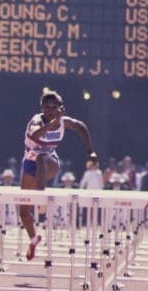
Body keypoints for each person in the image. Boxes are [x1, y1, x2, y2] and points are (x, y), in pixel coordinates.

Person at [18, 89, 94, 260]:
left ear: (61, 108)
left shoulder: (64, 122)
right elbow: (35, 135)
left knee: (43, 158)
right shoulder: (35, 121)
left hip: (49, 163)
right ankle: (33, 238)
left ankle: (41, 200)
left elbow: (81, 127)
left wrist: (90, 152)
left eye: (54, 107)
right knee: (23, 212)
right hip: (29, 165)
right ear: (42, 108)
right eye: (47, 107)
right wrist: (51, 125)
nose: (50, 110)